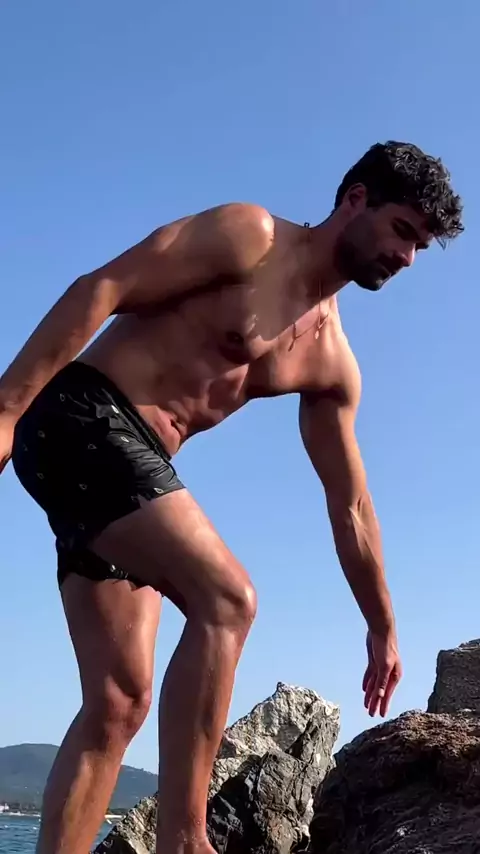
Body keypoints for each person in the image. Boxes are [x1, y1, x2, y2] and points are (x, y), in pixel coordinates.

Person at [0, 140, 463, 854]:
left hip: (131, 471)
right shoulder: (251, 237)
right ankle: (186, 840)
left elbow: (351, 505)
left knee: (119, 702)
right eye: (402, 231)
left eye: (419, 248)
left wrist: (381, 624)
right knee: (228, 599)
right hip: (80, 414)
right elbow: (104, 285)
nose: (405, 257)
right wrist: (7, 410)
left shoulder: (331, 362)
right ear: (355, 200)